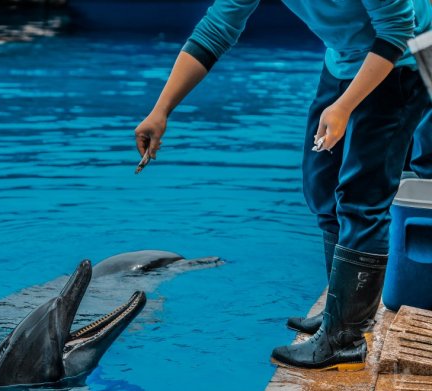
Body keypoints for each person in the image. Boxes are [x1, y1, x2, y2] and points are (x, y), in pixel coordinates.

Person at [134, 0, 432, 371]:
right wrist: (162, 110)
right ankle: (340, 313)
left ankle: (344, 339)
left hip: (402, 59)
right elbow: (217, 28)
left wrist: (344, 106)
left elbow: (396, 30)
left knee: (362, 196)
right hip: (343, 57)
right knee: (321, 185)